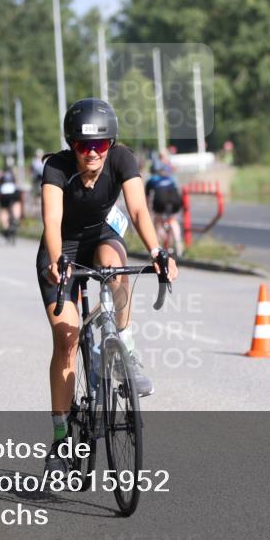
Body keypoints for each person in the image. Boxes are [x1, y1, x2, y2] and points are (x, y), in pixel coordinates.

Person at [36, 98, 178, 474]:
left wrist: (157, 251)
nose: (92, 153)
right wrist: (57, 261)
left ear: (111, 145)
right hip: (62, 247)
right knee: (66, 338)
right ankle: (61, 436)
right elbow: (52, 219)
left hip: (102, 234)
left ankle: (124, 346)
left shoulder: (122, 159)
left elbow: (137, 211)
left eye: (100, 145)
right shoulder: (56, 167)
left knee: (116, 269)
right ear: (72, 146)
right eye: (84, 146)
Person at [145, 164, 184, 257]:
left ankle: (160, 244)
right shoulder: (171, 178)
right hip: (174, 201)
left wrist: (149, 211)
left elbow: (147, 198)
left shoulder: (151, 180)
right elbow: (178, 191)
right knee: (173, 220)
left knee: (157, 222)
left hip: (160, 201)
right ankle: (178, 242)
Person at [0, 165, 23, 238]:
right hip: (13, 193)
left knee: (4, 210)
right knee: (17, 203)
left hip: (3, 194)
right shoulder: (14, 176)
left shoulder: (1, 177)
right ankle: (16, 218)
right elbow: (18, 185)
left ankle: (5, 227)